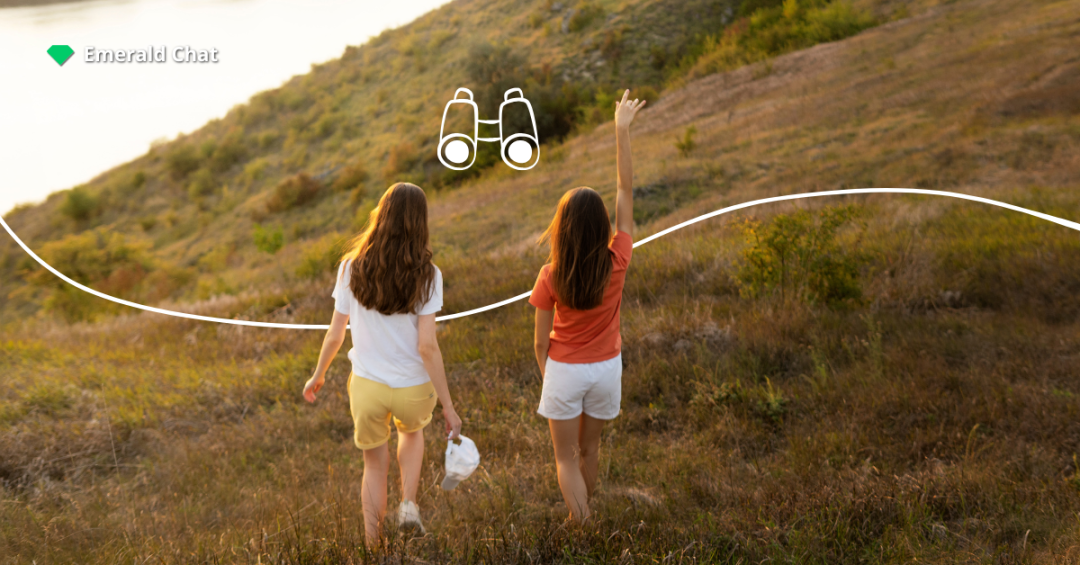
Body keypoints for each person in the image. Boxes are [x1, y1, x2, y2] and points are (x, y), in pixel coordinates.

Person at [303, 182, 462, 544]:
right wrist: (449, 407)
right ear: (420, 222)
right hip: (412, 387)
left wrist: (318, 375)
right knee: (411, 433)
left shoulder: (349, 268)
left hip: (367, 388)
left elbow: (335, 335)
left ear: (381, 215)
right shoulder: (428, 274)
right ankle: (408, 504)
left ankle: (374, 546)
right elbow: (427, 347)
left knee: (374, 466)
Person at [529, 90, 646, 522]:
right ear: (602, 227)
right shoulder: (619, 259)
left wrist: (552, 379)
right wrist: (621, 130)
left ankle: (583, 526)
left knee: (564, 459)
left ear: (561, 229)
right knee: (589, 448)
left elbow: (541, 344)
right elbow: (624, 189)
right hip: (606, 369)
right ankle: (586, 520)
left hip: (564, 371)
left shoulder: (550, 275)